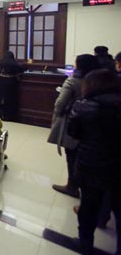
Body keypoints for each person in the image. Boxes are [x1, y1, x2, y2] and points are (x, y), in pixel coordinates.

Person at [68, 69, 121, 255]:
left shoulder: (83, 106)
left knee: (88, 207)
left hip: (92, 163)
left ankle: (85, 245)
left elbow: (73, 132)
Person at [48, 54, 99, 198]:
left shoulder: (73, 81)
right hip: (93, 123)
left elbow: (59, 104)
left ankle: (72, 186)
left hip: (74, 120)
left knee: (71, 154)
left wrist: (57, 115)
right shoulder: (97, 80)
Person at [0, 50, 26, 122]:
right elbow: (22, 69)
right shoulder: (15, 64)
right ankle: (9, 116)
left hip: (0, 81)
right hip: (11, 83)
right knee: (10, 100)